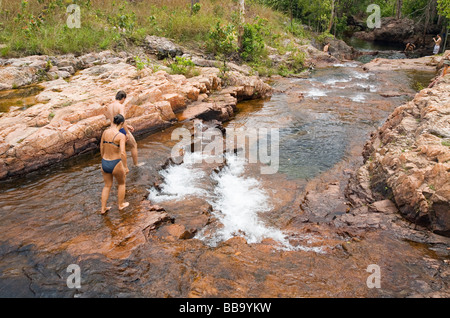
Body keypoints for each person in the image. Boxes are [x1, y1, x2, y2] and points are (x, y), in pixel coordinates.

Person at [100, 114, 129, 214]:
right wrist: (125, 166)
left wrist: (103, 158)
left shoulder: (105, 132)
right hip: (115, 163)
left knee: (107, 185)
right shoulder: (121, 135)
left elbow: (101, 147)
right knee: (121, 183)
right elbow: (122, 152)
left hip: (104, 162)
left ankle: (103, 208)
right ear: (121, 123)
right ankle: (121, 205)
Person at [106, 90, 139, 166]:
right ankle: (136, 165)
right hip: (120, 129)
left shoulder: (109, 106)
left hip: (112, 129)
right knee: (133, 145)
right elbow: (122, 120)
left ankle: (118, 167)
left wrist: (127, 126)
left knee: (118, 150)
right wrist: (127, 132)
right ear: (123, 98)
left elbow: (114, 120)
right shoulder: (120, 106)